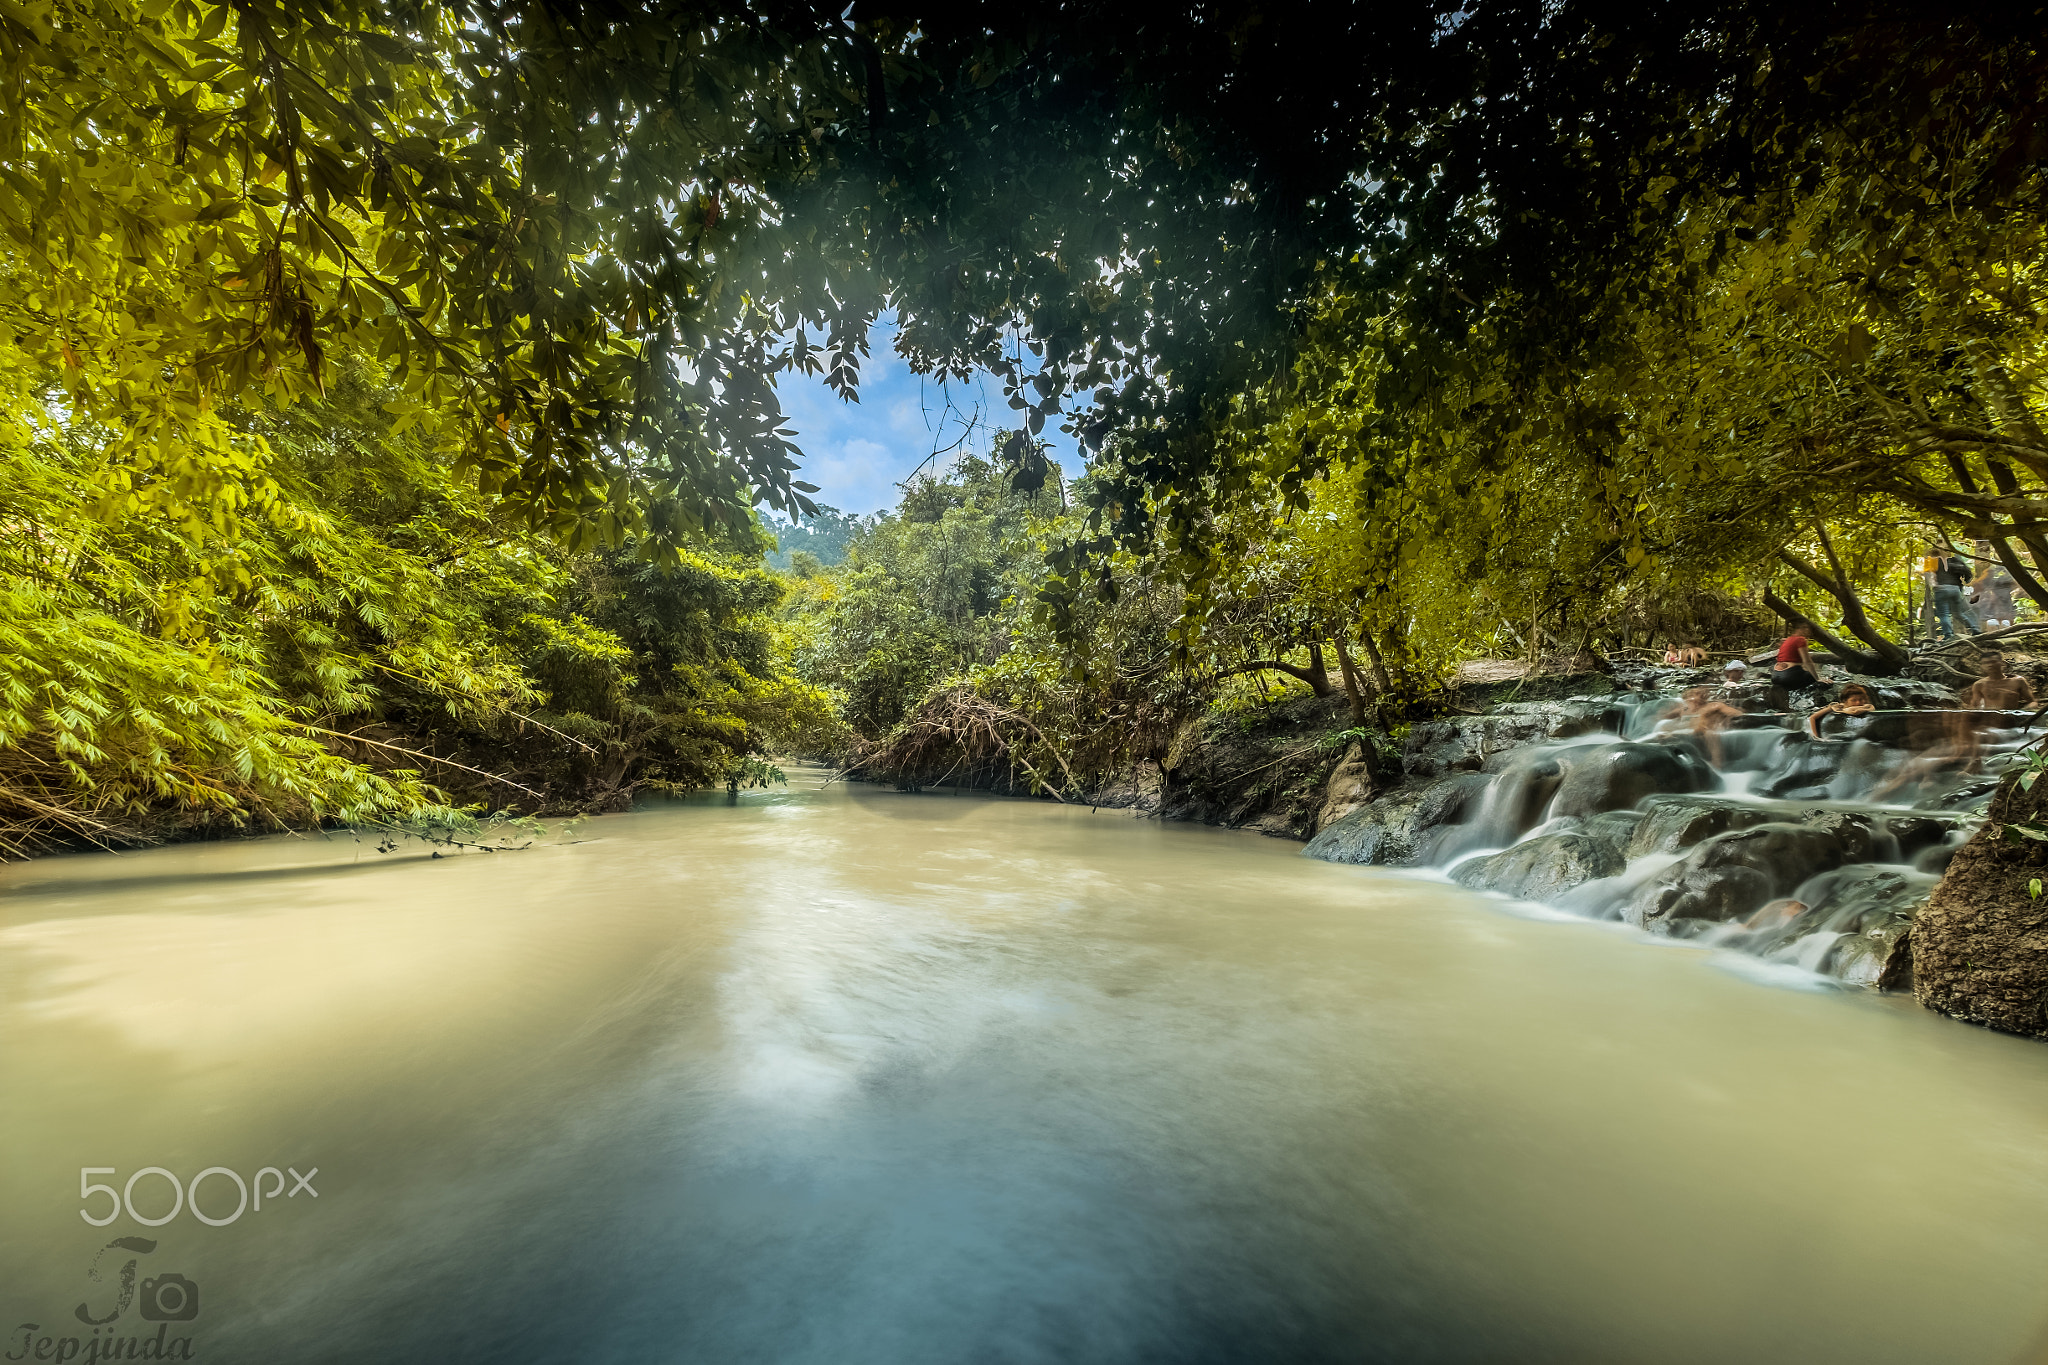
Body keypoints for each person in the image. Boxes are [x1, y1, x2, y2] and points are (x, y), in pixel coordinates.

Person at [1660, 685, 1743, 765]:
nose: (1692, 699)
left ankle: (1717, 764)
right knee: (1662, 734)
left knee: (1709, 734)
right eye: (1689, 697)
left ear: (1703, 698)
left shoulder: (1713, 706)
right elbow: (1663, 719)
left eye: (1696, 695)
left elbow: (1737, 714)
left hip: (1706, 735)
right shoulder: (1683, 710)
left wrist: (1723, 719)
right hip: (1688, 735)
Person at [1930, 543, 1981, 640]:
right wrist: (1965, 581)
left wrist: (1934, 585)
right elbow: (1968, 573)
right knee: (1958, 613)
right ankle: (1974, 628)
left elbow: (1931, 576)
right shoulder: (1955, 561)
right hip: (1955, 589)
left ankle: (1948, 635)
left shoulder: (1933, 562)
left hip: (1942, 589)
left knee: (1944, 614)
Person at [1960, 652, 2036, 711]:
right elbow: (1974, 707)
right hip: (1990, 720)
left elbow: (2033, 702)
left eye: (1993, 662)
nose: (1990, 665)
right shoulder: (1979, 685)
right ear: (1982, 666)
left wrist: (2022, 712)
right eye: (1986, 663)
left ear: (2002, 663)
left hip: (2011, 719)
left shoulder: (2018, 681)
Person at [1971, 542, 2018, 630]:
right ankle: (1999, 632)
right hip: (1997, 594)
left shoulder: (2006, 568)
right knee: (1998, 615)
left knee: (2005, 614)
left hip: (2004, 595)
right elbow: (1984, 581)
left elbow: (2013, 581)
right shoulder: (1993, 569)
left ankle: (2009, 632)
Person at [1771, 620, 1827, 692]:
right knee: (1811, 676)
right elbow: (1807, 661)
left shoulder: (1788, 640)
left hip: (1775, 676)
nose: (1809, 631)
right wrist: (1817, 679)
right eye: (1807, 628)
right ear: (1801, 629)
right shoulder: (1800, 640)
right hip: (1788, 676)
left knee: (1803, 670)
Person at [1805, 683, 1876, 739]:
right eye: (1853, 700)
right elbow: (1812, 718)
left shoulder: (1867, 706)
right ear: (1845, 701)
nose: (1858, 703)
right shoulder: (1836, 707)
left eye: (1860, 699)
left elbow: (1860, 710)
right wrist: (1816, 737)